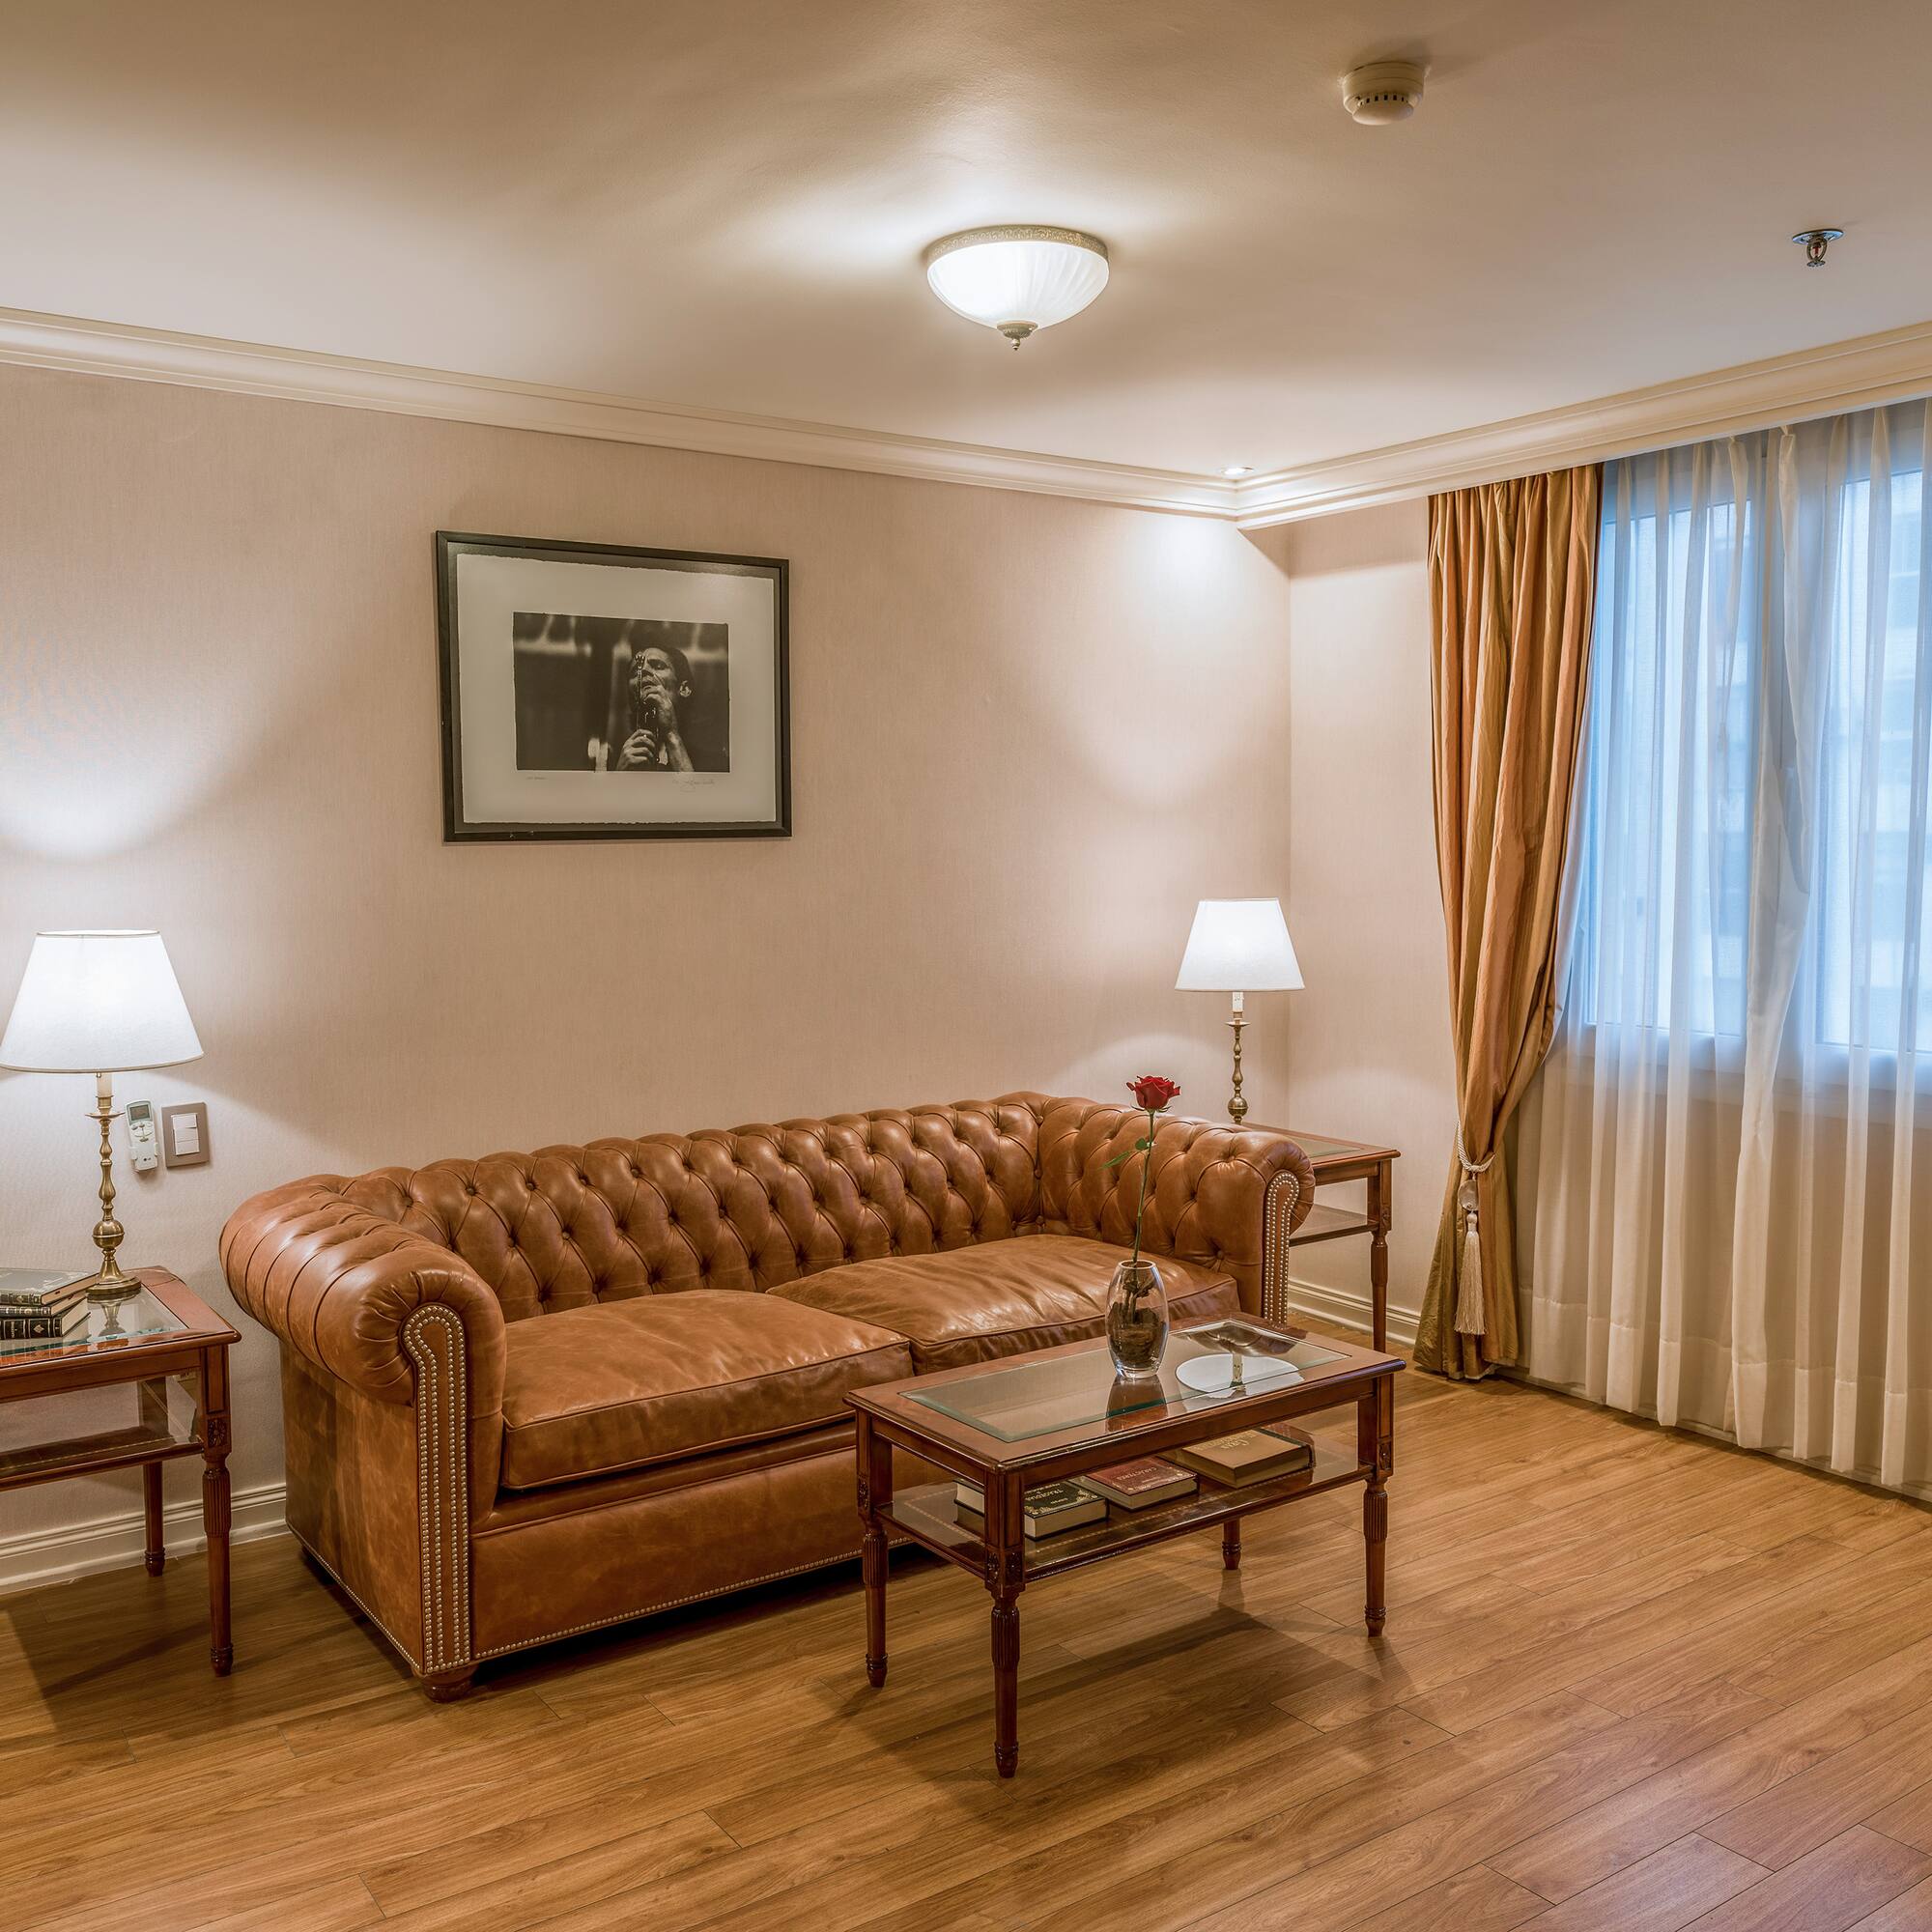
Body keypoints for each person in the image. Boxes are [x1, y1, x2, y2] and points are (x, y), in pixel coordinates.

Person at [614, 642, 696, 771]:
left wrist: (671, 735)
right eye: (636, 671)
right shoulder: (611, 759)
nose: (644, 670)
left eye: (658, 666)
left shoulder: (715, 759)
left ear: (684, 689)